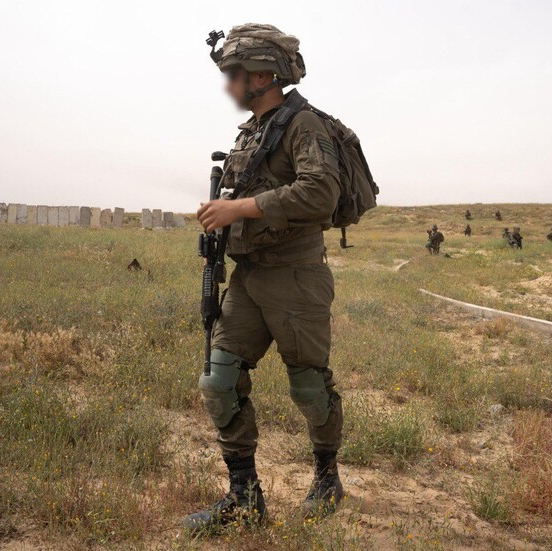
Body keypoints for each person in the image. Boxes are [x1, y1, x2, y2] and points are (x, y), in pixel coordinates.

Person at [186, 24, 344, 533]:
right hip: (249, 277)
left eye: (233, 74)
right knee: (218, 381)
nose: (228, 84)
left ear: (261, 75)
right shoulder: (251, 132)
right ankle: (245, 497)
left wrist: (239, 209)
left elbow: (321, 193)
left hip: (296, 276)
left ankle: (327, 478)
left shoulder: (304, 125)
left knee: (309, 387)